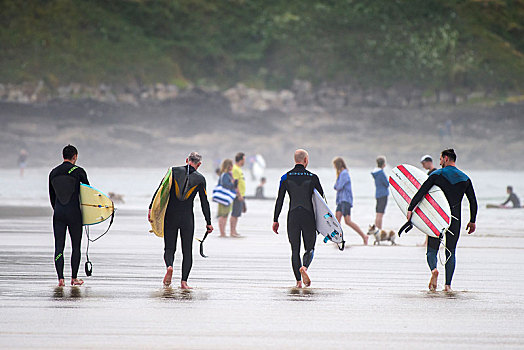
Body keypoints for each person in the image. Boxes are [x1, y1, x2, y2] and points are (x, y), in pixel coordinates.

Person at [407, 149, 478, 292]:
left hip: (437, 219)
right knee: (451, 251)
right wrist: (472, 220)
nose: (439, 162)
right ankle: (448, 285)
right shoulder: (465, 178)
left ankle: (434, 270)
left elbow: (422, 192)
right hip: (455, 219)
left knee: (431, 250)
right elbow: (473, 201)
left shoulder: (437, 175)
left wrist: (410, 208)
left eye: (440, 159)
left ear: (446, 158)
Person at [148, 152, 213, 289]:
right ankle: (184, 282)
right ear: (199, 164)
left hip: (170, 216)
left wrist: (151, 209)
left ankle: (170, 267)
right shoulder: (200, 179)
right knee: (187, 251)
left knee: (169, 248)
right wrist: (208, 222)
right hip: (187, 218)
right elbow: (204, 202)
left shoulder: (173, 171)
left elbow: (160, 190)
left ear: (186, 160)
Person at [273, 149, 324, 288]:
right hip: (308, 217)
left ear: (295, 159)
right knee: (310, 248)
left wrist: (275, 219)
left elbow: (280, 200)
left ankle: (298, 282)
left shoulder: (285, 177)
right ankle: (305, 267)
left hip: (293, 216)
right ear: (306, 160)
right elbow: (322, 202)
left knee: (295, 250)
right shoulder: (313, 177)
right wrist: (325, 224)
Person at [48, 145, 89, 287]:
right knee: (75, 246)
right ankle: (74, 278)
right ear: (75, 156)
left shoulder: (53, 172)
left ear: (63, 156)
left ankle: (60, 279)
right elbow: (88, 195)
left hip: (58, 213)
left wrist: (58, 209)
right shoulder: (79, 172)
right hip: (74, 214)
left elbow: (52, 197)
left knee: (59, 246)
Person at [333, 157, 368, 245]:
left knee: (348, 221)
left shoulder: (344, 173)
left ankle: (364, 236)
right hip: (341, 200)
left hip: (345, 200)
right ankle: (338, 239)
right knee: (337, 221)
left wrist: (336, 186)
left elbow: (338, 186)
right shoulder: (341, 173)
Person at [216, 159, 237, 237]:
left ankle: (223, 232)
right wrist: (232, 183)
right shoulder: (225, 174)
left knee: (224, 215)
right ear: (229, 166)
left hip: (224, 197)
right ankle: (222, 232)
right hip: (224, 197)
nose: (232, 167)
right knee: (223, 215)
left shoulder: (225, 174)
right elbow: (225, 184)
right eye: (231, 165)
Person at [230, 152, 246, 237]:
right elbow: (235, 183)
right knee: (235, 213)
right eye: (244, 159)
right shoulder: (235, 169)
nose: (244, 162)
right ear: (241, 160)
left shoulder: (238, 169)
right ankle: (232, 231)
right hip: (237, 195)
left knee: (237, 214)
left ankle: (234, 231)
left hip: (241, 194)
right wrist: (239, 195)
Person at [371, 155, 389, 229]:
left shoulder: (375, 173)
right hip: (383, 194)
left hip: (378, 194)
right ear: (383, 164)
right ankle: (379, 229)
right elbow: (387, 184)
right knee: (380, 214)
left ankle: (376, 229)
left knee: (378, 213)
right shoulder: (381, 173)